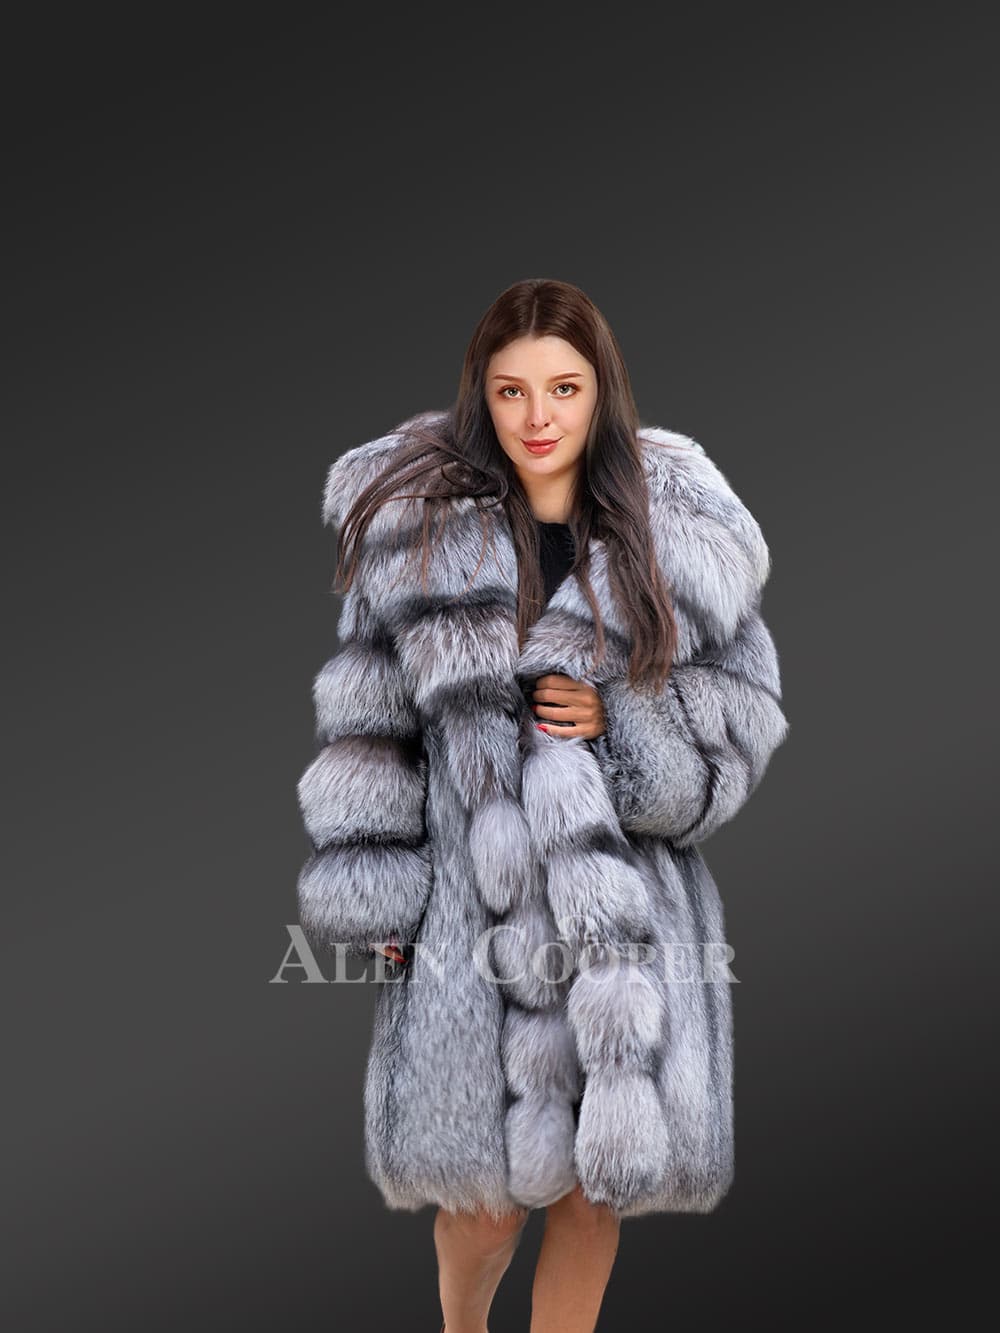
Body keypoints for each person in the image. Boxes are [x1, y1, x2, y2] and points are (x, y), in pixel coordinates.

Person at [295, 278, 789, 1332]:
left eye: (564, 387)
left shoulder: (680, 539)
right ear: (481, 394)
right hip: (472, 906)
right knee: (480, 1210)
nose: (538, 416)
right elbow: (368, 722)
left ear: (602, 390)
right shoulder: (417, 536)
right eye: (511, 390)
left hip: (620, 909)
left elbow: (738, 726)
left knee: (591, 1190)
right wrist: (377, 895)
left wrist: (624, 720)